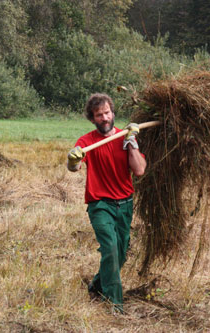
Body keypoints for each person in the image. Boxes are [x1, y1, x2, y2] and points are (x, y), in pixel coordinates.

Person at [67, 93, 146, 314]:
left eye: (107, 113)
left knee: (119, 254)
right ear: (92, 119)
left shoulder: (126, 137)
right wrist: (71, 160)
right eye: (99, 115)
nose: (104, 118)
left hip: (125, 203)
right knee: (110, 249)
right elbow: (75, 167)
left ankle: (97, 285)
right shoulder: (86, 141)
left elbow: (139, 170)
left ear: (113, 113)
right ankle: (115, 304)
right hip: (100, 204)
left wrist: (131, 144)